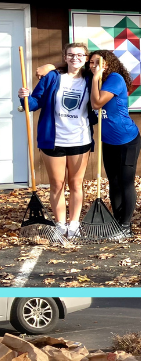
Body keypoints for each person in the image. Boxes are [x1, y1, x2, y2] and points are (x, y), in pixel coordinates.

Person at [18, 43, 95, 239]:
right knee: (57, 184)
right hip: (53, 139)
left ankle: (74, 223)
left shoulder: (90, 79)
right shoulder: (53, 77)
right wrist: (25, 98)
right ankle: (61, 224)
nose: (75, 58)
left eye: (79, 55)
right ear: (65, 57)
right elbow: (36, 102)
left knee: (76, 183)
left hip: (80, 138)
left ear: (85, 58)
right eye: (70, 54)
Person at [88, 50, 141, 237]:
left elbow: (97, 103)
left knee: (126, 182)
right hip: (108, 141)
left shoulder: (115, 79)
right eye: (91, 63)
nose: (94, 66)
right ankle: (118, 223)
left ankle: (126, 226)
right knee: (114, 182)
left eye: (98, 62)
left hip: (127, 139)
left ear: (108, 64)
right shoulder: (95, 80)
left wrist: (95, 78)